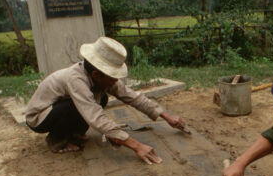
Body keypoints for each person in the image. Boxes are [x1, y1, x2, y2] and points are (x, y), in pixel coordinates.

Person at [24, 36, 187, 164]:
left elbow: (133, 97)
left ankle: (72, 134)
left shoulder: (103, 78)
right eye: (113, 77)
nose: (116, 81)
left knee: (101, 99)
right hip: (40, 118)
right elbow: (95, 116)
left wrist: (166, 116)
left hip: (62, 108)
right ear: (96, 74)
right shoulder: (75, 80)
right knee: (74, 107)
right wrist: (137, 146)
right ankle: (56, 140)